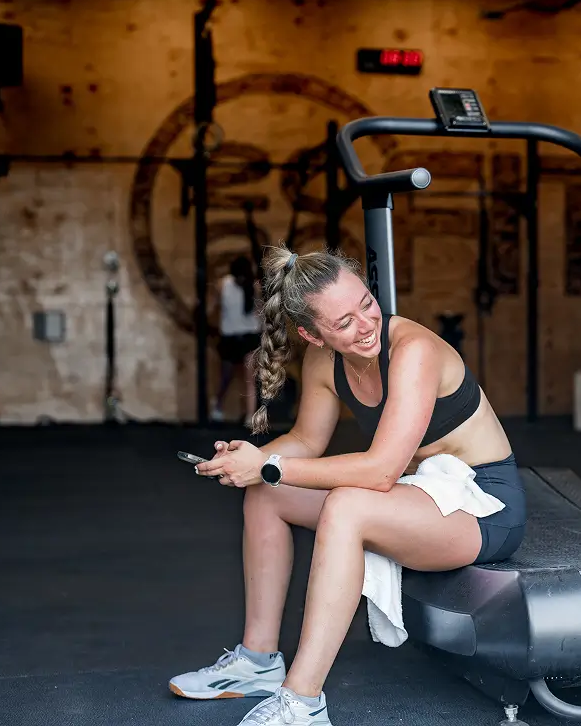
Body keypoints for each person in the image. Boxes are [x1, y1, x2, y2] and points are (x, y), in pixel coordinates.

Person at [170, 245, 527, 726]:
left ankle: (302, 702)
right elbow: (304, 441)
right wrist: (249, 462)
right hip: (416, 492)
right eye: (343, 323)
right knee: (265, 495)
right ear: (311, 335)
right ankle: (258, 662)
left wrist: (271, 465)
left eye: (366, 303)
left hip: (483, 506)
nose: (365, 325)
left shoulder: (413, 350)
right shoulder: (324, 363)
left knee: (345, 507)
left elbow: (379, 471)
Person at [213, 256, 263, 427]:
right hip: (231, 336)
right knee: (226, 375)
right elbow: (217, 306)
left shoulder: (255, 286)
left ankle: (250, 416)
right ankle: (218, 406)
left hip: (249, 335)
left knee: (250, 378)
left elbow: (260, 311)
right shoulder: (223, 284)